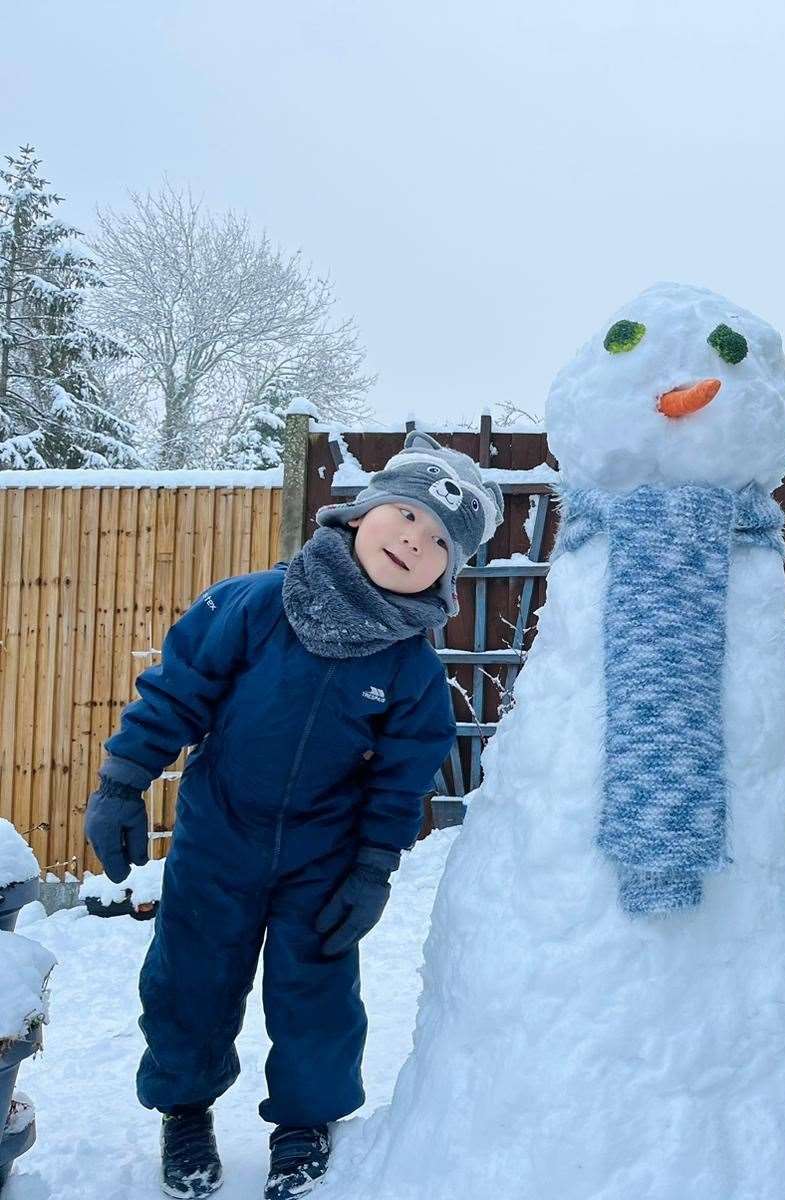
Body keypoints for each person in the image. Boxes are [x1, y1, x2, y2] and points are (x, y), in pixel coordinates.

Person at [84, 431, 501, 1200]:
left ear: (451, 568)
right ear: (361, 513)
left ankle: (305, 1123)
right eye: (406, 515)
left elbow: (400, 780)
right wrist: (122, 780)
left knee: (317, 995)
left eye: (441, 538)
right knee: (191, 981)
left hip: (324, 856)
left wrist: (373, 869)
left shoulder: (409, 667)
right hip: (219, 836)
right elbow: (177, 693)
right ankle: (184, 1109)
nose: (415, 538)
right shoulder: (253, 603)